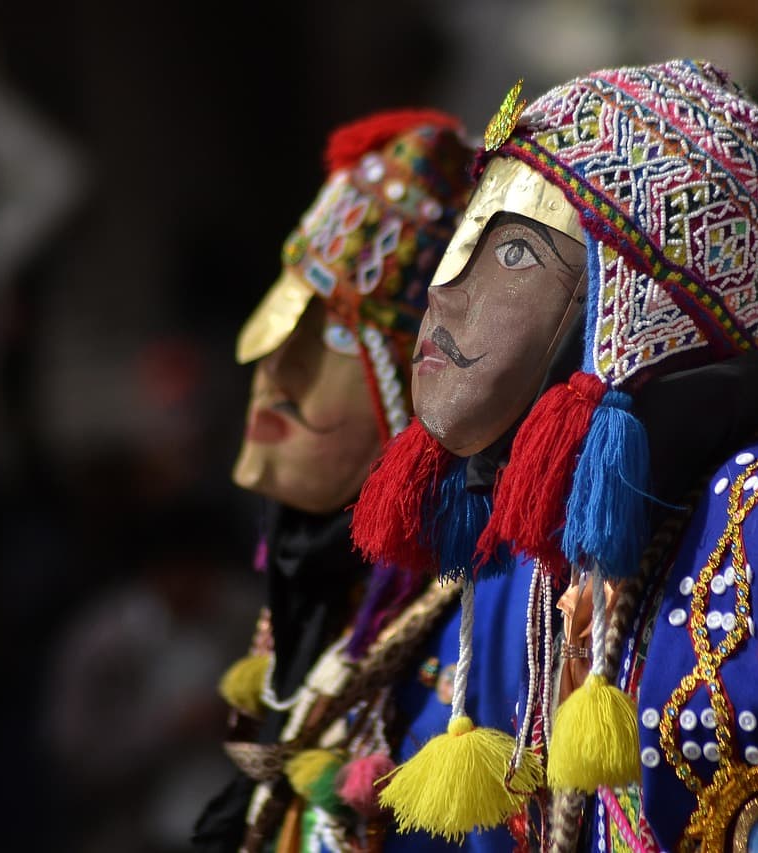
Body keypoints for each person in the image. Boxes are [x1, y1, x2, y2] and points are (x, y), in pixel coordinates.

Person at [352, 60, 758, 851]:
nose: (440, 290)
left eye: (511, 253)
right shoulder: (546, 570)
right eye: (466, 238)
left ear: (635, 307)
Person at [192, 110, 525, 852]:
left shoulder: (493, 601)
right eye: (284, 319)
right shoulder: (319, 588)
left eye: (338, 333)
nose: (274, 370)